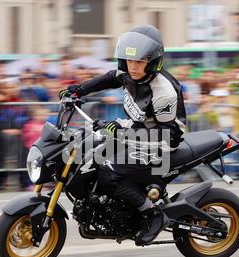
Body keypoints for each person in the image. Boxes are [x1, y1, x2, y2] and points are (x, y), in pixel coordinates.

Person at [59, 25, 186, 245]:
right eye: (130, 61)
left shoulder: (163, 92)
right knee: (89, 151)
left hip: (161, 142)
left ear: (153, 61)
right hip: (135, 128)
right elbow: (109, 78)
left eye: (140, 62)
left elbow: (167, 134)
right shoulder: (129, 73)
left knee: (109, 170)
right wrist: (78, 90)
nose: (133, 67)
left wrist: (122, 132)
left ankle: (152, 213)